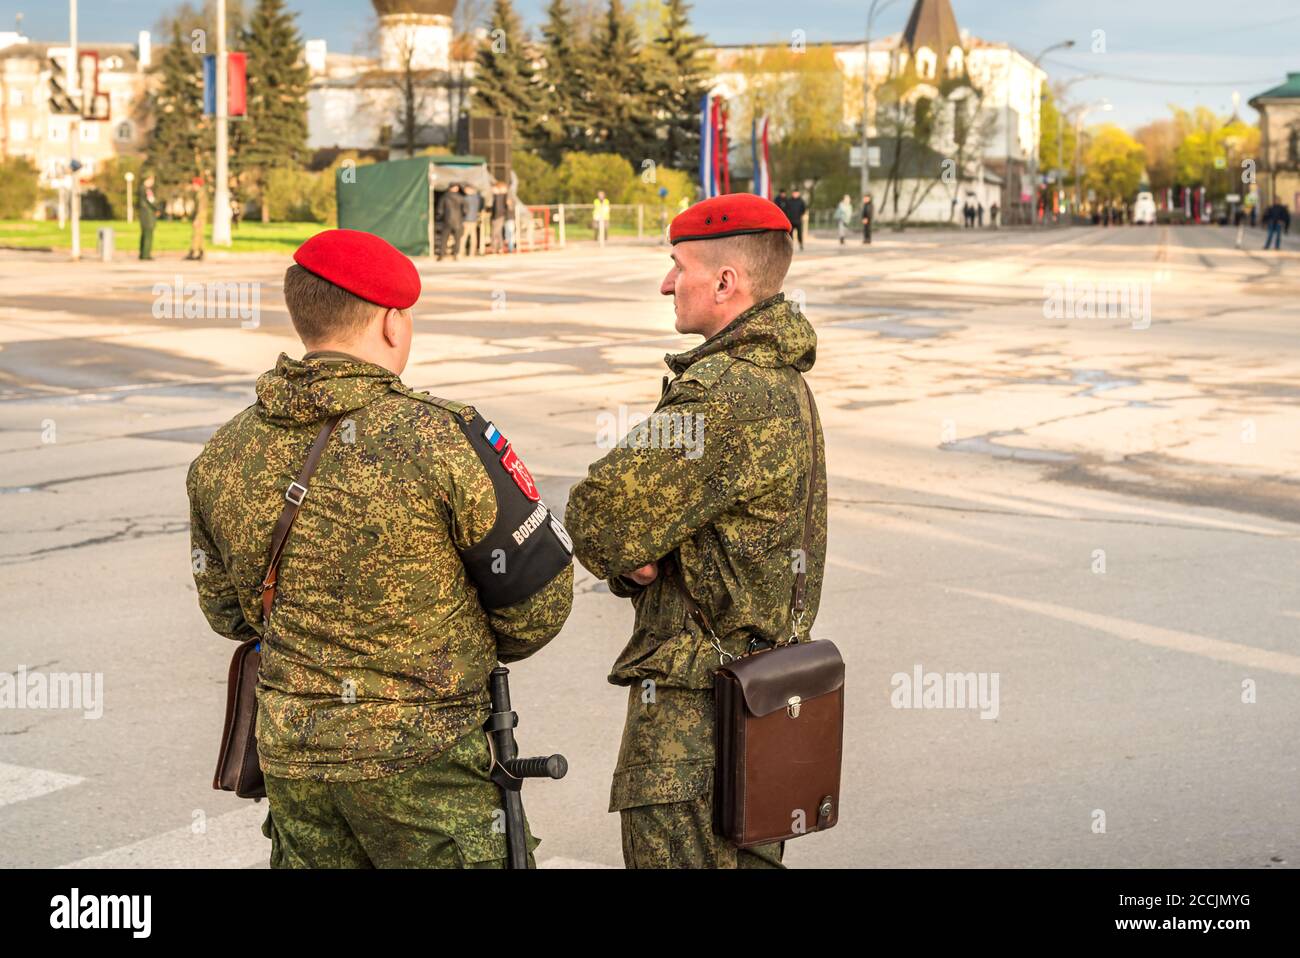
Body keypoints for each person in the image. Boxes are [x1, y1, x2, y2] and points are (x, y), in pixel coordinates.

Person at [187, 229, 575, 868]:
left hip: (295, 763)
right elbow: (537, 607)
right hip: (429, 768)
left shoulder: (223, 454)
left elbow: (229, 616)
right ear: (393, 324)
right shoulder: (445, 439)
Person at [564, 194, 828, 869]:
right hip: (759, 707)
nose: (664, 283)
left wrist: (633, 555)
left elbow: (598, 514)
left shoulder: (723, 393)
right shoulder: (782, 378)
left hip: (695, 724)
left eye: (676, 266)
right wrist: (637, 558)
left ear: (725, 281)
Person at [438, 185, 464, 261]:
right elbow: (465, 209)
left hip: (447, 221)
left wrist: (440, 218)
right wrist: (462, 217)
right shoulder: (461, 198)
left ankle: (442, 255)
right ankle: (456, 255)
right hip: (458, 221)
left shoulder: (444, 197)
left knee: (444, 238)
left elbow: (440, 210)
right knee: (457, 239)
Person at [186, 176, 207, 261]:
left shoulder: (200, 194)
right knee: (199, 235)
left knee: (196, 235)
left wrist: (197, 219)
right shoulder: (200, 193)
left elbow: (201, 208)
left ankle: (193, 252)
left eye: (194, 185)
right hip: (201, 216)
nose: (193, 186)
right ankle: (201, 252)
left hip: (200, 217)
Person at [138, 174, 158, 261]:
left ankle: (143, 253)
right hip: (148, 215)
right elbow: (151, 201)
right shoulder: (146, 190)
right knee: (148, 234)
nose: (152, 182)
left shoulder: (141, 188)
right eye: (151, 180)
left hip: (144, 214)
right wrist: (157, 209)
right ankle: (146, 254)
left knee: (144, 234)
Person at [460, 185, 482, 257]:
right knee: (473, 237)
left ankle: (461, 252)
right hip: (474, 220)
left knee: (464, 237)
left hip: (466, 220)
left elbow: (463, 210)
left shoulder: (465, 198)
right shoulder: (477, 198)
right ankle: (472, 253)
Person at [490, 181, 508, 255]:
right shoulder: (496, 197)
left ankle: (494, 248)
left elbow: (499, 208)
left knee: (494, 233)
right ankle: (500, 248)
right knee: (498, 233)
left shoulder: (502, 196)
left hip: (499, 216)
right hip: (496, 216)